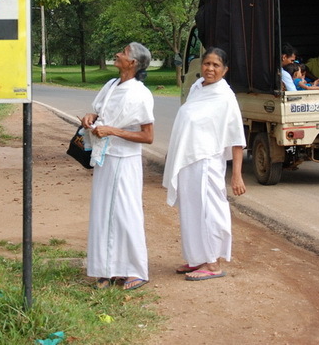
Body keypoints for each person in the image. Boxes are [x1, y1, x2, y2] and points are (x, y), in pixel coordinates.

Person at [163, 47, 246, 281]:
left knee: (210, 211)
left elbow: (236, 138)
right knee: (190, 211)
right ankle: (196, 258)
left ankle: (213, 263)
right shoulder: (197, 88)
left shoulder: (225, 98)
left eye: (216, 65)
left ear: (225, 70)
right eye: (206, 63)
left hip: (208, 162)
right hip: (189, 160)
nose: (210, 69)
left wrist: (237, 175)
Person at [81, 42, 155, 291]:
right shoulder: (111, 85)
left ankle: (136, 270)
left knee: (126, 214)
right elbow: (96, 112)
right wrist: (90, 118)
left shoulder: (141, 94)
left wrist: (113, 130)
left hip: (125, 162)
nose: (117, 54)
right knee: (102, 214)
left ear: (133, 63)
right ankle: (105, 270)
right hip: (105, 158)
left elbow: (148, 136)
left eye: (123, 53)